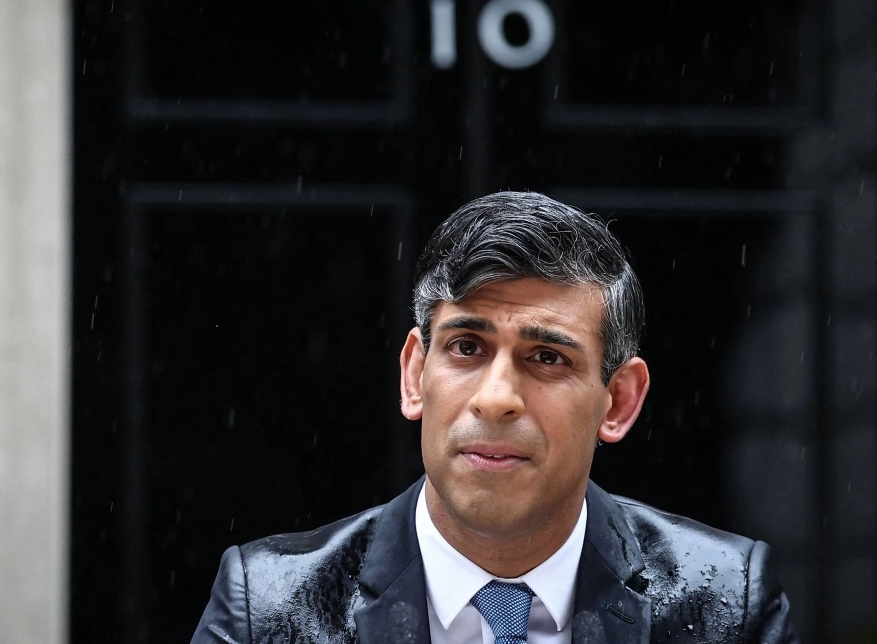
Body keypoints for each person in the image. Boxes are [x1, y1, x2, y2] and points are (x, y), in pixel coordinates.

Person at [189, 191, 799, 644]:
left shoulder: (726, 602)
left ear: (618, 402)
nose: (496, 397)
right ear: (413, 376)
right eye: (466, 348)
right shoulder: (268, 607)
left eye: (546, 357)